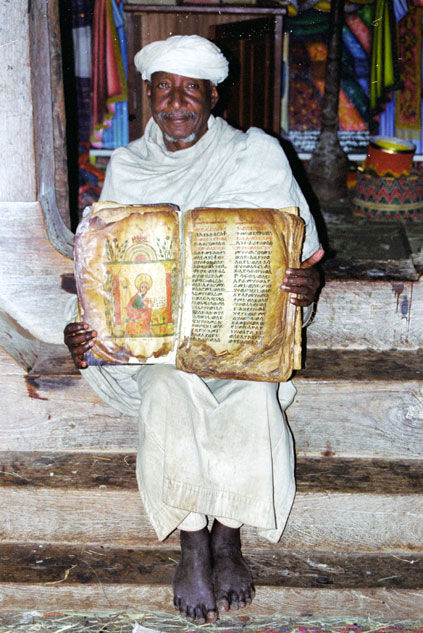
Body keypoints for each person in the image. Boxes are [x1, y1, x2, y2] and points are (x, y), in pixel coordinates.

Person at [64, 35, 324, 625]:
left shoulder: (256, 154)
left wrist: (304, 288)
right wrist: (85, 330)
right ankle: (191, 542)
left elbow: (297, 255)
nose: (175, 101)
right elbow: (104, 274)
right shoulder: (128, 165)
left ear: (212, 94)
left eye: (189, 88)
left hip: (240, 339)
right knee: (166, 386)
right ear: (148, 94)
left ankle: (228, 536)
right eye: (163, 87)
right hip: (158, 351)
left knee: (252, 391)